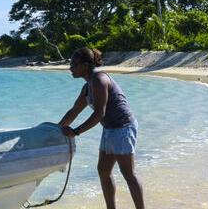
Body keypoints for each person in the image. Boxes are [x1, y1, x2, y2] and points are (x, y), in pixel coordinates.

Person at [56, 48, 144, 209]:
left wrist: (75, 132)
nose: (70, 68)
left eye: (74, 65)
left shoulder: (99, 80)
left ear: (85, 65)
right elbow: (74, 111)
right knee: (103, 170)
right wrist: (55, 129)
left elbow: (99, 114)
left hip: (123, 127)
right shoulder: (87, 87)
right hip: (110, 128)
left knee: (128, 174)